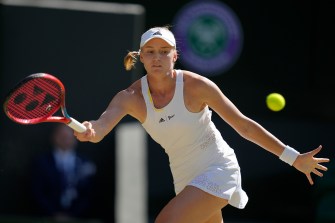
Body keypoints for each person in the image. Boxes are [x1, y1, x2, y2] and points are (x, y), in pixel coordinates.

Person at [74, 26, 330, 223]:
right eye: (150, 52)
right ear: (141, 57)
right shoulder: (130, 98)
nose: (157, 58)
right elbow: (100, 128)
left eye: (164, 51)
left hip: (218, 167)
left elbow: (244, 126)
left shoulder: (198, 86)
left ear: (175, 55)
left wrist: (293, 158)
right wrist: (90, 130)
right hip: (184, 177)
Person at [31, 123, 97, 221]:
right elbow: (37, 192)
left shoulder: (86, 163)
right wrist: (54, 214)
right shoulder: (41, 163)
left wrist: (72, 216)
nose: (65, 139)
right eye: (61, 136)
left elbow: (89, 195)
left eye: (69, 136)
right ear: (54, 137)